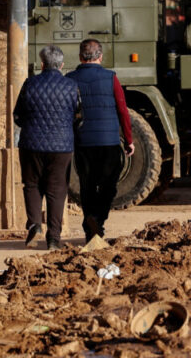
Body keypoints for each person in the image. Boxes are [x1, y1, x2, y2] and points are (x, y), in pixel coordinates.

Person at [13, 45, 81, 251]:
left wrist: (31, 127)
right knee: (57, 190)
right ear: (61, 65)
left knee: (32, 184)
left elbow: (17, 115)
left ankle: (34, 225)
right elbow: (79, 117)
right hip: (61, 146)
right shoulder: (71, 86)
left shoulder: (29, 84)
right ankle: (54, 238)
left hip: (30, 144)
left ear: (42, 64)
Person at [66, 39, 133, 242]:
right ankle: (98, 219)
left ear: (80, 57)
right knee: (108, 185)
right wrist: (129, 139)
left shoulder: (70, 79)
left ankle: (90, 228)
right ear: (100, 56)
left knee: (87, 184)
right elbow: (122, 110)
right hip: (108, 141)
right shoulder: (111, 78)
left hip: (83, 141)